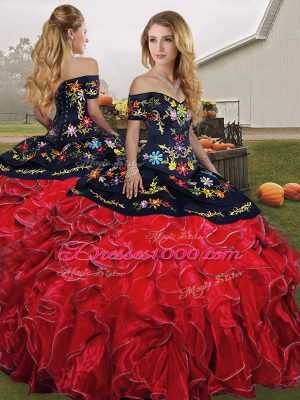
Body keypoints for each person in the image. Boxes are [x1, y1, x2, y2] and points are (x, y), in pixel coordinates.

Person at [0, 10, 299, 400]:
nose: (158, 48)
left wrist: (211, 169)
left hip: (189, 175)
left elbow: (190, 136)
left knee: (237, 242)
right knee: (152, 257)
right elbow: (132, 133)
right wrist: (129, 166)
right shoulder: (141, 82)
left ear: (180, 44)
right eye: (153, 40)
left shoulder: (185, 84)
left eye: (166, 40)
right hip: (153, 171)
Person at [0, 3, 124, 248]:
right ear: (70, 32)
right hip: (85, 138)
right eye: (84, 32)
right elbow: (93, 111)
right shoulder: (89, 64)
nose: (87, 38)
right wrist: (111, 134)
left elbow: (39, 115)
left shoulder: (47, 67)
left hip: (55, 139)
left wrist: (56, 133)